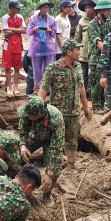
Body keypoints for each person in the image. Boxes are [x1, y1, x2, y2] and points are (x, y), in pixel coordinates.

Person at [39, 40, 91, 168]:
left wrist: (85, 107)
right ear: (69, 52)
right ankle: (51, 166)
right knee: (54, 140)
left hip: (73, 113)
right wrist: (39, 112)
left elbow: (81, 88)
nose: (79, 52)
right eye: (77, 50)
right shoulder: (53, 69)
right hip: (58, 114)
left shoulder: (78, 67)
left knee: (72, 140)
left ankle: (71, 165)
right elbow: (42, 93)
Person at [18, 96, 64, 206]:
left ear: (38, 115)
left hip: (50, 142)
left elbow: (56, 148)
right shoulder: (27, 112)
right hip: (34, 136)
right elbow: (22, 130)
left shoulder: (55, 118)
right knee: (16, 157)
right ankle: (21, 191)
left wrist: (50, 173)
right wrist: (23, 145)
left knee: (55, 170)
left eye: (28, 115)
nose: (25, 116)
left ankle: (47, 195)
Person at [87, 0, 111, 114]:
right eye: (108, 10)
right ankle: (96, 106)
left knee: (106, 82)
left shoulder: (108, 23)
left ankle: (105, 104)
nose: (109, 13)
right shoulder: (92, 25)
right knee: (96, 83)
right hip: (96, 59)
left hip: (107, 58)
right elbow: (98, 43)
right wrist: (109, 52)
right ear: (101, 11)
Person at [26, 0, 57, 93]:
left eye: (47, 7)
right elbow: (28, 32)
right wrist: (34, 30)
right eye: (44, 7)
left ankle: (47, 88)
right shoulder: (33, 19)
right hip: (36, 47)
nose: (46, 9)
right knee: (37, 69)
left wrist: (50, 31)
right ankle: (37, 89)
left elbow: (54, 34)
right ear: (40, 8)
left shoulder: (52, 19)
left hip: (48, 47)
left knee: (48, 68)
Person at [1, 0, 26, 98]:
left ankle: (16, 88)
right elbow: (6, 33)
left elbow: (24, 30)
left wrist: (12, 29)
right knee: (7, 68)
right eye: (17, 8)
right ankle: (10, 87)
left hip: (18, 46)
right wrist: (18, 29)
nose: (19, 9)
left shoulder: (20, 17)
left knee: (17, 68)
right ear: (11, 9)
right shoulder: (5, 18)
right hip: (8, 46)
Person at [74, 0, 97, 98]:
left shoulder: (98, 20)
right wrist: (76, 51)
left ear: (93, 8)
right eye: (86, 8)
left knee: (94, 76)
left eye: (89, 7)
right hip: (83, 54)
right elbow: (77, 37)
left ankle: (93, 98)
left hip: (95, 54)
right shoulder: (82, 21)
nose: (87, 10)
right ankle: (83, 97)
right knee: (83, 76)